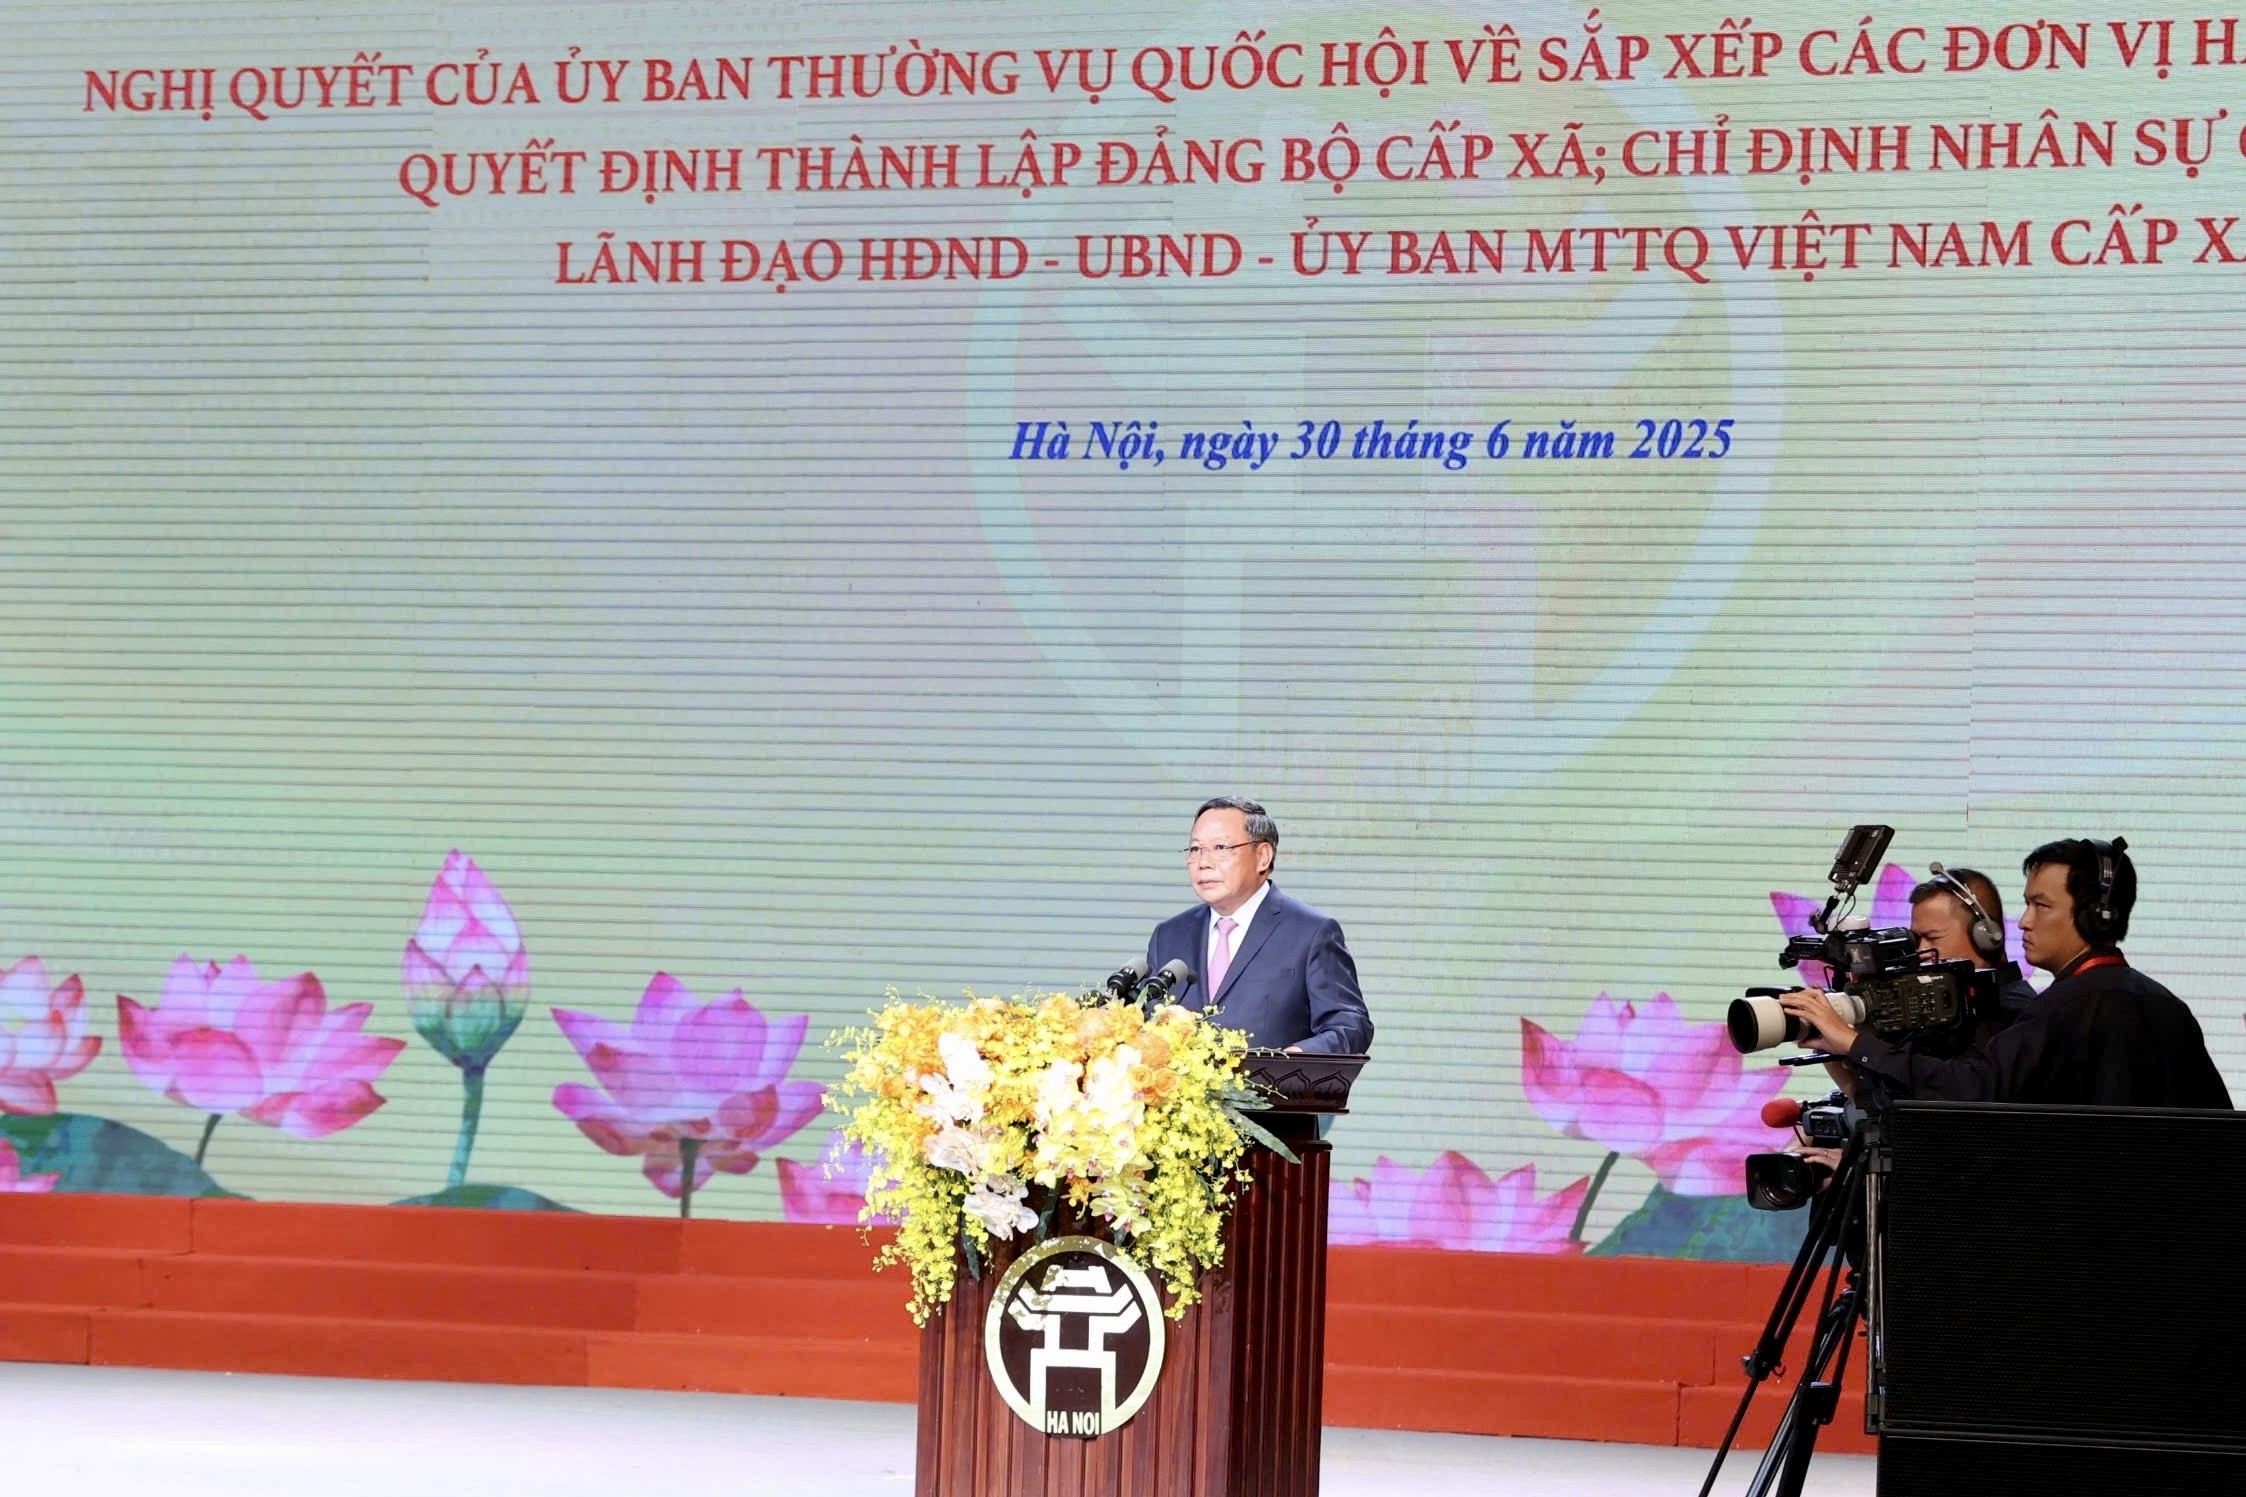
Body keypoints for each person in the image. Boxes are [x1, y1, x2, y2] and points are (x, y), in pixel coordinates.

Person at [1780, 838, 2233, 1108]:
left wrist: (1853, 1042)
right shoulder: (2167, 1007)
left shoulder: (2065, 1007)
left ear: (2096, 917)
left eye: (2041, 905)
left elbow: (1974, 1090)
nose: (2024, 922)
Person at [1144, 796, 1373, 1054]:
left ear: (1262, 856)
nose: (1203, 862)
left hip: (1276, 1081)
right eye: (1195, 849)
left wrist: (1292, 1059)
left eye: (1220, 847)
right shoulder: (1169, 936)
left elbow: (1350, 1026)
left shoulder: (1311, 933)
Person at [1908, 866, 2038, 1021]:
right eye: (1918, 939)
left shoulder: (2014, 1014)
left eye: (1932, 938)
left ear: (1984, 937)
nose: (1921, 951)